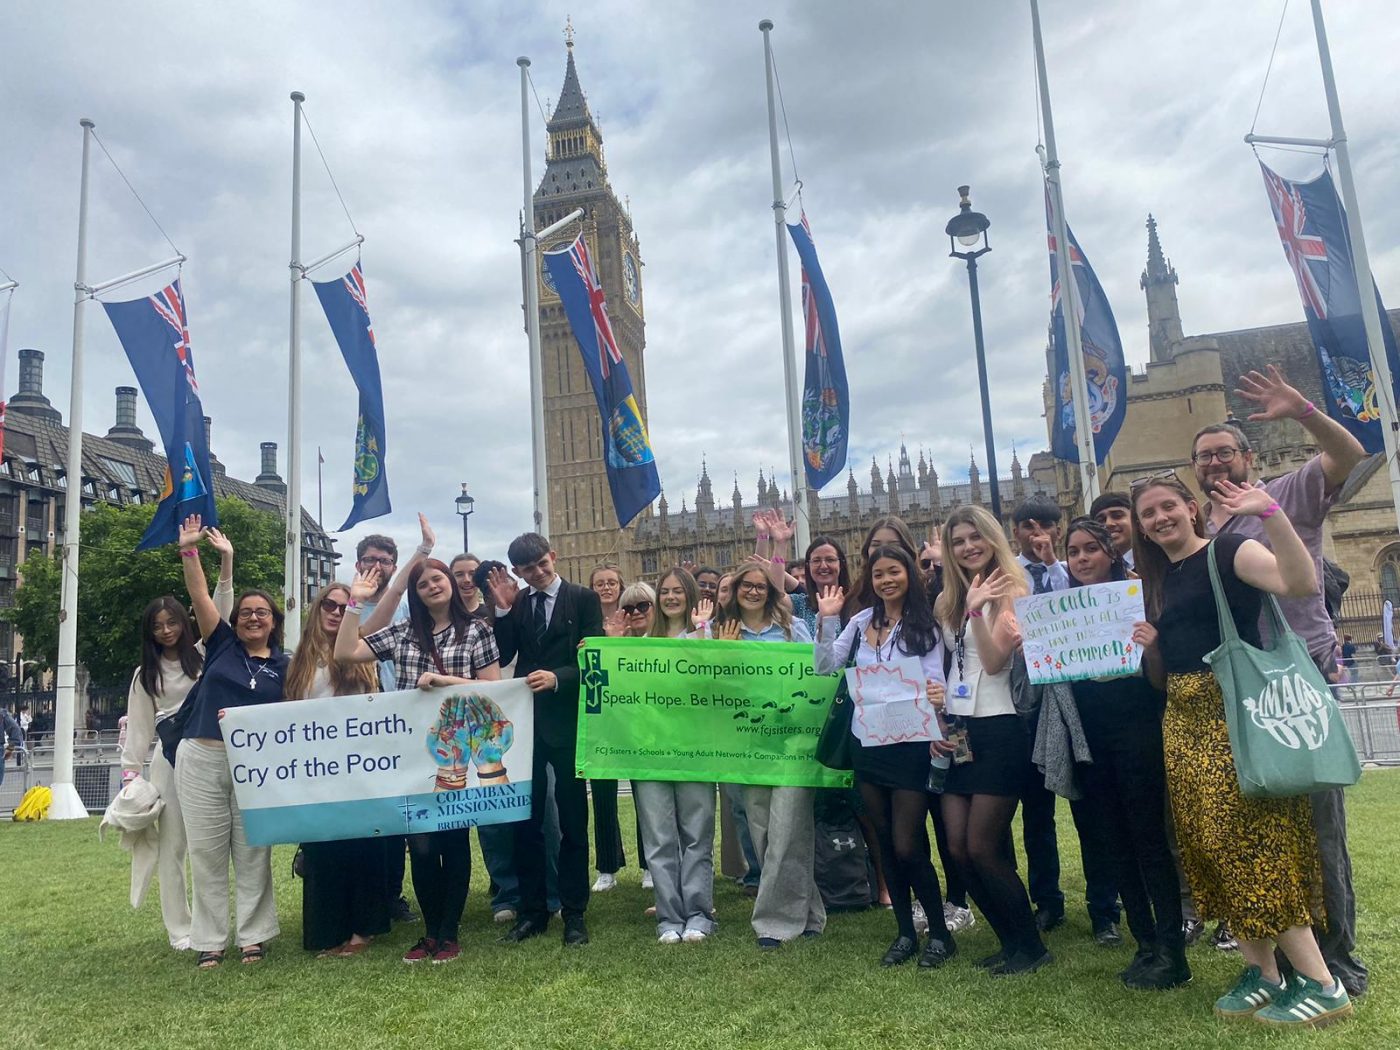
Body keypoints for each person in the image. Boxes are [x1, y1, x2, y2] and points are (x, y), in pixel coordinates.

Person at [1132, 472, 1351, 1026]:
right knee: (1207, 848)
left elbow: (1300, 584)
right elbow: (1163, 675)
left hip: (1235, 715)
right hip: (1182, 722)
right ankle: (1265, 974)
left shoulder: (1229, 549)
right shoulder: (1158, 577)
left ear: (1190, 507)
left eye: (1168, 506)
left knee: (1252, 845)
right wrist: (1153, 648)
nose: (1160, 518)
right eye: (1148, 513)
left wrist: (1272, 514)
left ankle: (1323, 984)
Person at [1192, 364, 1370, 997]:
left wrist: (1303, 412)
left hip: (1295, 680)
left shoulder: (1289, 491)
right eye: (1203, 457)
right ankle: (1289, 959)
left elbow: (1351, 453)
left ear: (1248, 456)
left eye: (1224, 453)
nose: (1215, 464)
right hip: (1238, 688)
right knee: (1273, 830)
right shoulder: (1203, 530)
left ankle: (1339, 960)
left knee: (1320, 826)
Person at [335, 555, 501, 964]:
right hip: (412, 754)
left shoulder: (478, 630)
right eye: (423, 583)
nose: (432, 586)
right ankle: (429, 932)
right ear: (416, 593)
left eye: (438, 578)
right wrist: (356, 603)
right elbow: (344, 652)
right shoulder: (402, 633)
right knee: (422, 846)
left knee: (454, 840)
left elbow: (494, 687)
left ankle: (449, 932)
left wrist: (444, 682)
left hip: (457, 750)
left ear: (450, 583)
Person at [814, 545, 955, 968]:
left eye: (893, 572)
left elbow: (934, 678)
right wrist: (827, 618)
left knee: (908, 843)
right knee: (884, 843)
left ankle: (941, 933)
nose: (886, 580)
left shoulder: (925, 625)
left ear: (909, 574)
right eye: (878, 575)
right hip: (868, 742)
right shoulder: (858, 623)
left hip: (910, 743)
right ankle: (905, 934)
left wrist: (938, 700)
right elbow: (825, 666)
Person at [1061, 518, 1187, 989]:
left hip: (1135, 730)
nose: (1082, 559)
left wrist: (1152, 649)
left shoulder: (1136, 599)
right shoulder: (1062, 611)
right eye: (1073, 552)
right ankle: (1145, 945)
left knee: (1148, 841)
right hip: (1089, 737)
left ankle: (1173, 952)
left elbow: (1159, 683)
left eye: (1090, 549)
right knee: (1114, 843)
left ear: (1110, 552)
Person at [935, 506, 1051, 976]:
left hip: (1001, 727)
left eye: (975, 537)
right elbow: (953, 664)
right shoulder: (951, 597)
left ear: (991, 538)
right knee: (958, 851)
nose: (968, 547)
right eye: (958, 540)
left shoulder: (1011, 588)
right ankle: (1009, 940)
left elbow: (995, 662)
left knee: (983, 846)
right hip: (960, 728)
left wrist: (979, 611)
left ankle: (1031, 945)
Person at [173, 515, 287, 969]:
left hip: (253, 766)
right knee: (206, 850)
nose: (253, 618)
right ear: (234, 621)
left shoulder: (286, 666)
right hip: (202, 755)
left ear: (274, 621)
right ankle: (210, 939)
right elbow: (200, 595)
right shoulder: (220, 646)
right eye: (245, 613)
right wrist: (191, 551)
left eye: (262, 612)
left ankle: (254, 935)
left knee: (253, 848)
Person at [1011, 495, 1121, 944]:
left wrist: (1056, 563)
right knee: (1036, 818)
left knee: (1090, 813)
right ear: (1014, 529)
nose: (1035, 534)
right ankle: (1048, 903)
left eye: (1044, 525)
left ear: (1057, 529)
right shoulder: (1005, 575)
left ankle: (1104, 909)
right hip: (1026, 708)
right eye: (1026, 526)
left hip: (1078, 704)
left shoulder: (1073, 574)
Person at [486, 533, 603, 947]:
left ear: (552, 557)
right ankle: (534, 912)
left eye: (541, 563)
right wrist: (501, 612)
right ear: (517, 572)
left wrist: (559, 678)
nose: (536, 572)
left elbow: (597, 656)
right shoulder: (517, 606)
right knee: (527, 822)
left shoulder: (583, 598)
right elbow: (497, 658)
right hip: (525, 726)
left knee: (573, 822)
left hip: (568, 723)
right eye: (527, 569)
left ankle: (574, 914)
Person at [120, 553, 233, 952]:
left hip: (208, 753)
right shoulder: (145, 674)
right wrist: (131, 776)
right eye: (158, 626)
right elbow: (139, 726)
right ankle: (179, 929)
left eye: (172, 623)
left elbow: (219, 607)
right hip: (168, 761)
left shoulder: (205, 655)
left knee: (211, 845)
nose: (166, 631)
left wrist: (225, 562)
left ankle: (211, 923)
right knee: (173, 848)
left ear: (184, 624)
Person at [713, 560, 822, 949]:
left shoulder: (794, 630)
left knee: (790, 827)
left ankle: (773, 922)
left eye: (762, 586)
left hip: (792, 743)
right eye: (747, 585)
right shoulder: (721, 633)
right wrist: (722, 657)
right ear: (737, 590)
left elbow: (817, 676)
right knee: (762, 831)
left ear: (772, 592)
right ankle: (810, 912)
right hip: (747, 744)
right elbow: (712, 691)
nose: (754, 591)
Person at [284, 582, 387, 958]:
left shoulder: (360, 655)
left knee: (362, 848)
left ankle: (362, 931)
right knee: (323, 852)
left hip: (359, 767)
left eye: (344, 608)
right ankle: (327, 932)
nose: (335, 612)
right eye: (329, 604)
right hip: (316, 770)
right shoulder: (298, 662)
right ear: (317, 608)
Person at [351, 518, 437, 926]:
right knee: (372, 820)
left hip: (404, 723)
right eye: (370, 559)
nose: (378, 566)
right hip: (360, 726)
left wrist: (423, 551)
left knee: (408, 817)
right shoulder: (341, 604)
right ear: (357, 563)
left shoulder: (405, 608)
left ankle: (398, 896)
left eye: (386, 560)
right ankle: (375, 895)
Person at [632, 570, 718, 943]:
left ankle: (699, 913)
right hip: (650, 748)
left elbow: (712, 680)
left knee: (697, 834)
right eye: (664, 592)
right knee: (659, 838)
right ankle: (669, 916)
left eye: (677, 591)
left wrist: (700, 633)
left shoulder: (706, 632)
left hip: (694, 747)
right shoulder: (640, 644)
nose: (670, 598)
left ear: (691, 595)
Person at [586, 563, 630, 893]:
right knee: (602, 793)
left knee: (645, 791)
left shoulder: (637, 616)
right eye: (599, 583)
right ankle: (607, 867)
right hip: (599, 715)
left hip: (634, 713)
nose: (606, 588)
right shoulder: (585, 622)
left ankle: (648, 865)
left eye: (611, 582)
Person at [1090, 491, 1136, 570]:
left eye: (1117, 516)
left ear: (1135, 519)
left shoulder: (1159, 560)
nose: (1108, 524)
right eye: (1101, 520)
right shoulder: (1094, 572)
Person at [449, 554, 488, 620]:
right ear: (450, 578)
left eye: (472, 574)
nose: (467, 580)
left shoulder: (491, 615)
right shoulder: (443, 617)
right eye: (459, 574)